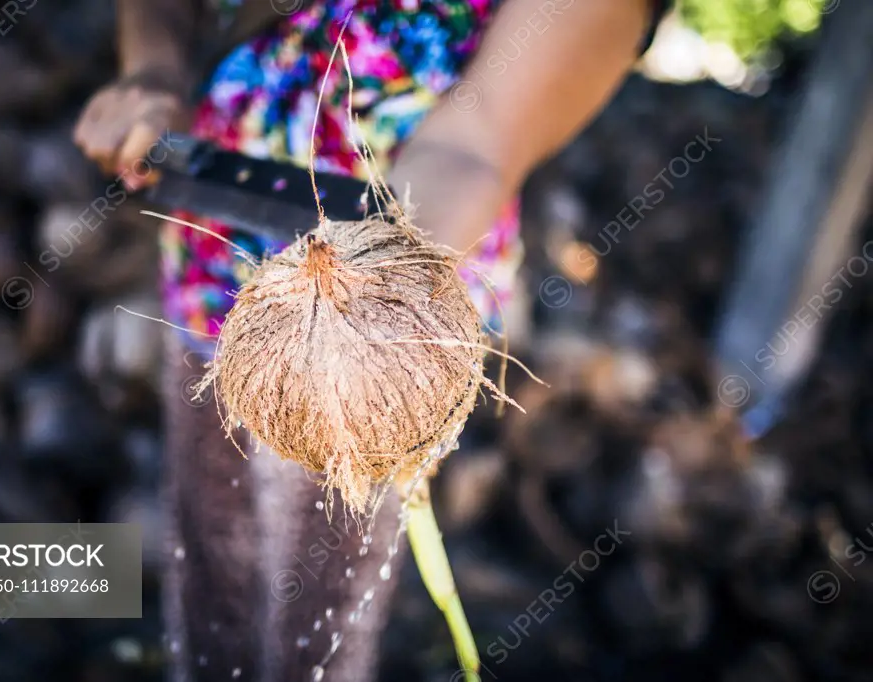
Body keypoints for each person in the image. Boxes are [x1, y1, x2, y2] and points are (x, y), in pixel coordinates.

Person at [74, 1, 668, 681]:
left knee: (314, 618)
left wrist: (373, 295)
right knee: (213, 564)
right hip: (213, 260)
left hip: (384, 317)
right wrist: (153, 70)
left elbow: (471, 145)